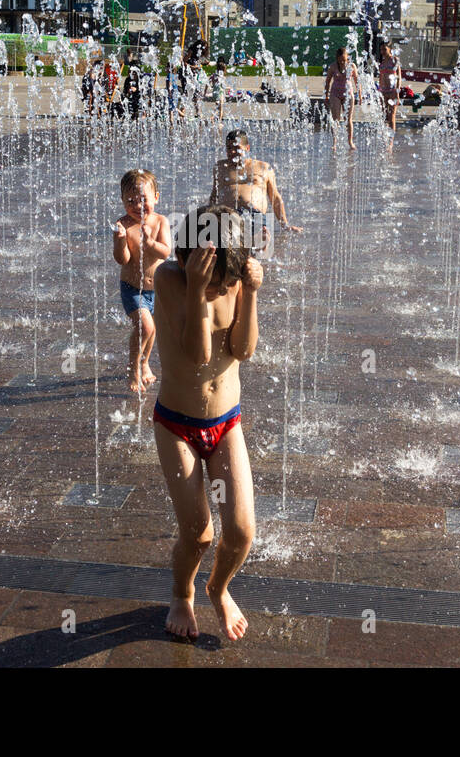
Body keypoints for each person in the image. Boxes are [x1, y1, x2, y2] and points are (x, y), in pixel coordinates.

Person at [151, 204, 262, 641]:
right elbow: (197, 356)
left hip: (226, 424)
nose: (224, 290)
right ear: (188, 261)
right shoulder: (169, 281)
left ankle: (218, 588)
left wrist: (248, 292)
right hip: (177, 424)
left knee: (241, 532)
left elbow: (243, 349)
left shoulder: (234, 280)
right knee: (198, 535)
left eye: (229, 284)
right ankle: (182, 593)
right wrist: (198, 290)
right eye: (220, 283)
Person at [113, 169, 173, 393]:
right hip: (132, 289)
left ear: (156, 197)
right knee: (145, 327)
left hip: (156, 289)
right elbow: (123, 260)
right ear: (122, 200)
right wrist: (120, 241)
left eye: (143, 200)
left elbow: (166, 252)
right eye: (130, 201)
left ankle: (145, 362)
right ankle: (133, 368)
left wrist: (151, 245)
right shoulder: (123, 225)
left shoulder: (160, 222)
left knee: (152, 329)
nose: (138, 206)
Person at [210, 129, 302, 252]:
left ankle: (258, 244)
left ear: (247, 148)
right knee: (226, 253)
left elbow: (275, 198)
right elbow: (214, 196)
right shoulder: (220, 167)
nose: (231, 152)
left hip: (254, 216)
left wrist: (285, 226)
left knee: (254, 254)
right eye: (228, 148)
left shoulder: (263, 167)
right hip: (227, 215)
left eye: (236, 148)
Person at [324, 47, 361, 150]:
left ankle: (350, 142)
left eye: (344, 60)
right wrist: (326, 95)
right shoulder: (333, 66)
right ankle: (335, 142)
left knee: (348, 119)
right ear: (337, 58)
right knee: (336, 119)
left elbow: (357, 81)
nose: (342, 62)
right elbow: (327, 82)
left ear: (347, 57)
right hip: (335, 94)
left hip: (348, 94)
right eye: (340, 60)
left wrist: (360, 95)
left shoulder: (352, 66)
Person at [378, 41, 401, 132]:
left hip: (392, 91)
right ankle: (385, 138)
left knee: (391, 117)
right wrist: (379, 91)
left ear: (390, 49)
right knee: (384, 116)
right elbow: (380, 78)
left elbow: (398, 76)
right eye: (381, 50)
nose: (382, 51)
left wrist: (397, 91)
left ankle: (391, 143)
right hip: (383, 91)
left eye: (384, 49)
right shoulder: (382, 62)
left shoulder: (395, 60)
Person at [122, 54, 145, 123]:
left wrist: (137, 89)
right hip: (131, 102)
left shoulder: (141, 79)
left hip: (140, 101)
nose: (132, 74)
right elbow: (124, 92)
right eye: (131, 72)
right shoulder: (128, 80)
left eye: (134, 73)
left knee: (139, 116)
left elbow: (145, 91)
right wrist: (128, 92)